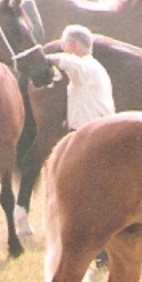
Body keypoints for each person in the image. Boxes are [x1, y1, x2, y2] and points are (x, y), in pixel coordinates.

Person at [47, 24, 115, 267]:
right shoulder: (94, 69)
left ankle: (101, 251)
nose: (63, 50)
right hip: (93, 136)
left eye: (64, 46)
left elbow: (72, 65)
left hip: (91, 138)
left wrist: (45, 56)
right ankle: (101, 252)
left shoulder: (85, 66)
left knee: (90, 196)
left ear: (74, 46)